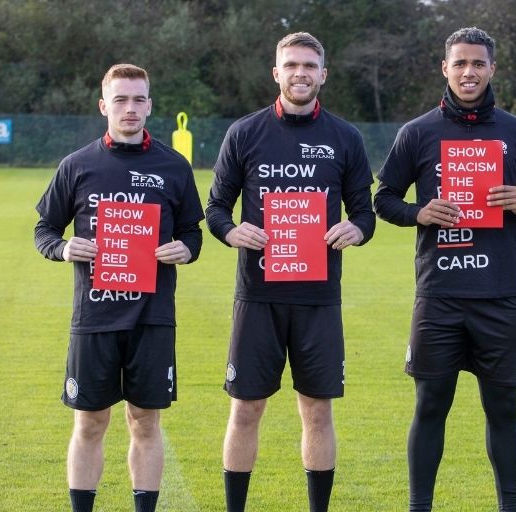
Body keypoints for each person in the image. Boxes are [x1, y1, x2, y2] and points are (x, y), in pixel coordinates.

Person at [374, 27, 516, 512]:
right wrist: (419, 212)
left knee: (503, 409)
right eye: (460, 63)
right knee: (430, 406)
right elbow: (383, 199)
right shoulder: (417, 132)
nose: (469, 72)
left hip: (499, 295)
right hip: (439, 297)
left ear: (492, 69)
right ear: (445, 68)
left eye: (478, 64)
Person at [206, 32, 375, 512]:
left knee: (317, 411)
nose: (300, 73)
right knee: (245, 408)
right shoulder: (245, 132)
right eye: (291, 65)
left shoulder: (345, 137)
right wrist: (231, 231)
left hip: (319, 296)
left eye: (309, 65)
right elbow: (216, 206)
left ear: (323, 74)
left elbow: (365, 212)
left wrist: (355, 231)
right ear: (276, 73)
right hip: (258, 294)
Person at [34, 63, 204, 512]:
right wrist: (65, 248)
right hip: (94, 318)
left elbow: (193, 233)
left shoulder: (173, 166)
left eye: (139, 99)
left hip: (152, 318)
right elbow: (44, 230)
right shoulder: (77, 165)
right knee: (90, 422)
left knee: (145, 421)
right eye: (121, 99)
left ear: (149, 105)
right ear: (103, 105)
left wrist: (185, 250)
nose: (130, 108)